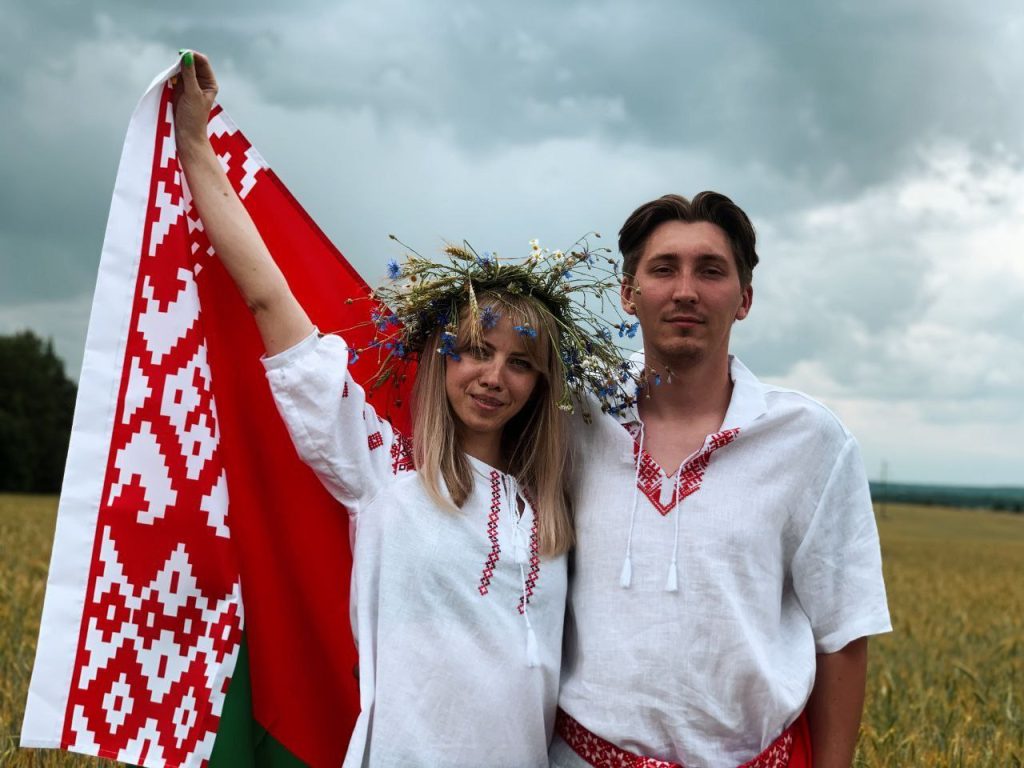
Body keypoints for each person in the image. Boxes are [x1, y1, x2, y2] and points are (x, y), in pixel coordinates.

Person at [172, 51, 629, 767]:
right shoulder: (385, 474)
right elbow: (269, 300)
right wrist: (195, 145)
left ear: (542, 386)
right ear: (441, 359)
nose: (493, 377)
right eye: (475, 350)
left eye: (520, 363)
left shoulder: (552, 507)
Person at [550, 193, 892, 768]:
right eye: (664, 269)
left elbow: (842, 634)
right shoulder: (568, 417)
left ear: (744, 299)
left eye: (710, 271)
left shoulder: (809, 440)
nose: (686, 290)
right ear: (628, 293)